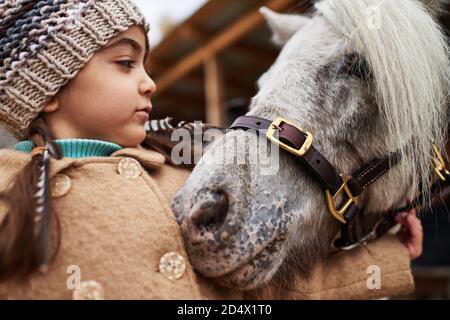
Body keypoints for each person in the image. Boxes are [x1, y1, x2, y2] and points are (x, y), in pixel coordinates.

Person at [0, 0, 420, 300]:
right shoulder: (8, 198)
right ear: (49, 89)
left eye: (145, 66)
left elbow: (267, 287)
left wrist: (389, 253)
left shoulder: (184, 178)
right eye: (126, 63)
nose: (150, 84)